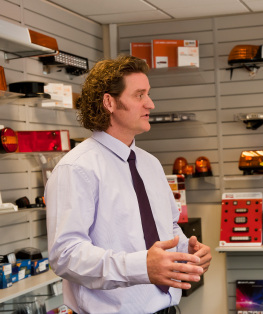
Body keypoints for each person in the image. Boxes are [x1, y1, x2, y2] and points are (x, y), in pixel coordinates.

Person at [46, 55, 211, 314]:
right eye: (139, 95)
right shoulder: (76, 169)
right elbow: (66, 256)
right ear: (109, 102)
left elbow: (166, 227)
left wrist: (186, 251)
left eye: (149, 94)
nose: (150, 103)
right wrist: (142, 266)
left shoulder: (150, 164)